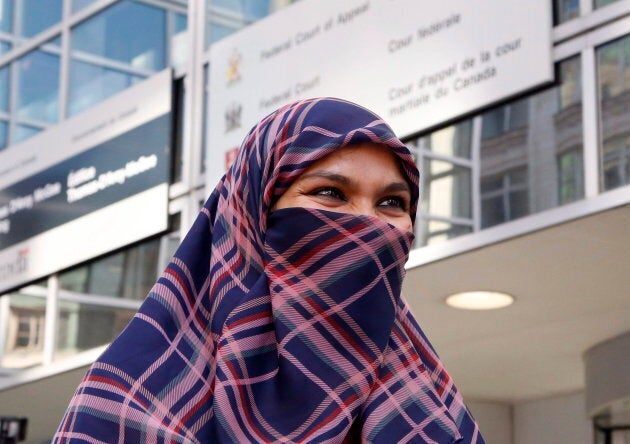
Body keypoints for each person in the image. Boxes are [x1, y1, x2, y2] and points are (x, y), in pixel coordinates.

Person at [54, 97, 484, 443]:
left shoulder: (427, 401)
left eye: (392, 203)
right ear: (254, 213)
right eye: (330, 193)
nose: (368, 224)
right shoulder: (130, 400)